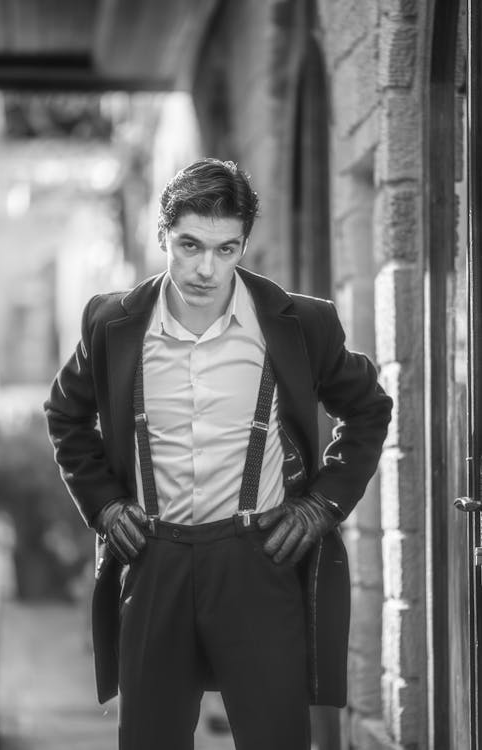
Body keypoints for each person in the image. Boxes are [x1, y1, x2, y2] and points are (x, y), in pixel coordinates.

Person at [44, 158, 392, 750]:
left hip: (259, 560)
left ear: (243, 246)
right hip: (154, 559)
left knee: (277, 739)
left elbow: (368, 409)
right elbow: (66, 415)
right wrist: (103, 506)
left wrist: (321, 506)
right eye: (190, 245)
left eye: (226, 249)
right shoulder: (113, 324)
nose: (207, 268)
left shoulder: (299, 323)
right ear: (163, 236)